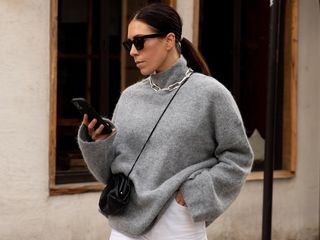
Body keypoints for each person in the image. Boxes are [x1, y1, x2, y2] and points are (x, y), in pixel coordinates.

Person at [77, 3, 253, 240]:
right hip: (125, 221)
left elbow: (238, 157)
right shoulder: (130, 97)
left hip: (177, 221)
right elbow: (110, 173)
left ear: (169, 40)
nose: (132, 52)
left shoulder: (210, 94)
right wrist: (100, 142)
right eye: (129, 44)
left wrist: (192, 195)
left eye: (139, 42)